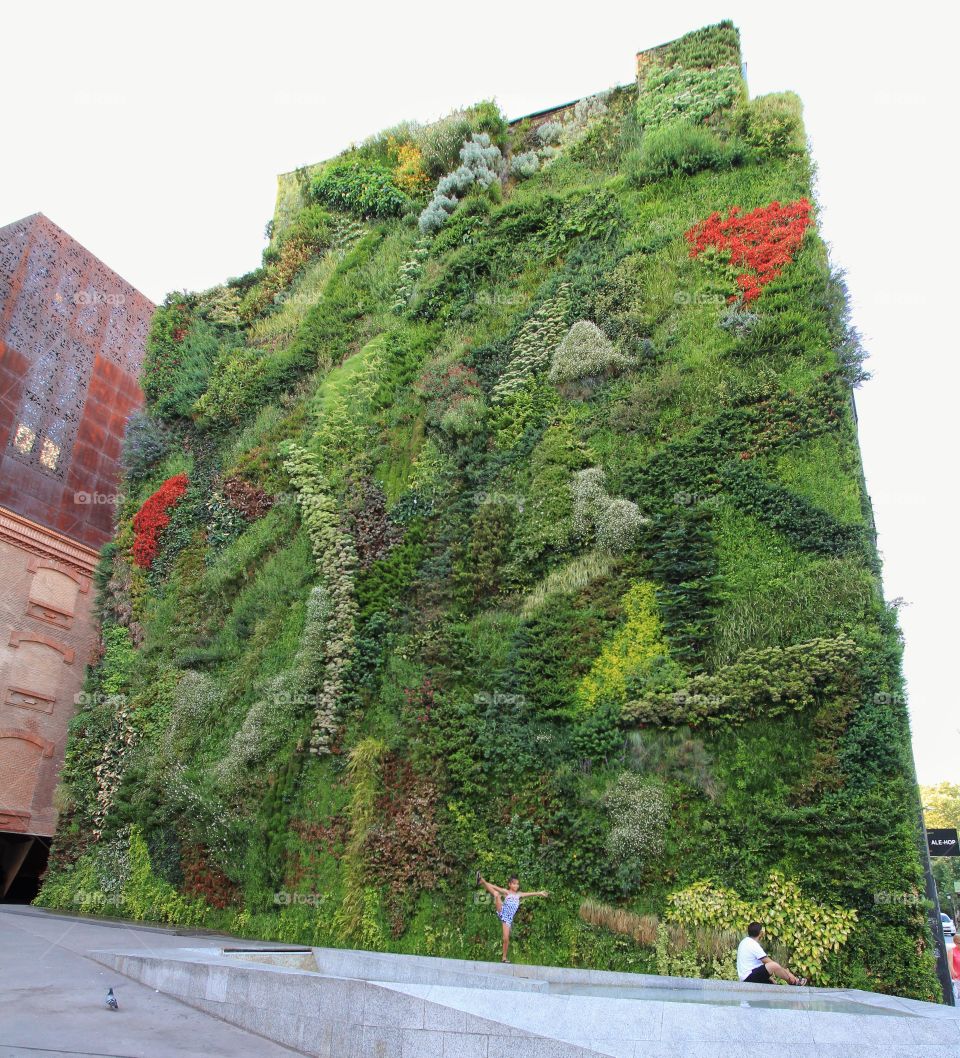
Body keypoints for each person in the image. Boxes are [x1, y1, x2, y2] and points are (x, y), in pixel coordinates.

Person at [476, 871, 549, 963]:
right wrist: (485, 883)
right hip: (502, 910)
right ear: (510, 884)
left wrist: (540, 893)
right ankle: (482, 880)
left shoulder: (519, 894)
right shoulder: (506, 892)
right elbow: (494, 887)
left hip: (508, 919)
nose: (516, 886)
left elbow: (530, 894)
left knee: (506, 939)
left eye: (517, 884)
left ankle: (504, 958)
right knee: (496, 894)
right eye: (514, 884)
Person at [737, 922, 807, 985]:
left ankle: (792, 981)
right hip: (748, 977)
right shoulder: (752, 944)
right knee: (773, 965)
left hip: (749, 976)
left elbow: (756, 966)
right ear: (760, 933)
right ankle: (793, 981)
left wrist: (769, 977)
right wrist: (790, 975)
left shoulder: (745, 941)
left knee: (773, 983)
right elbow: (770, 963)